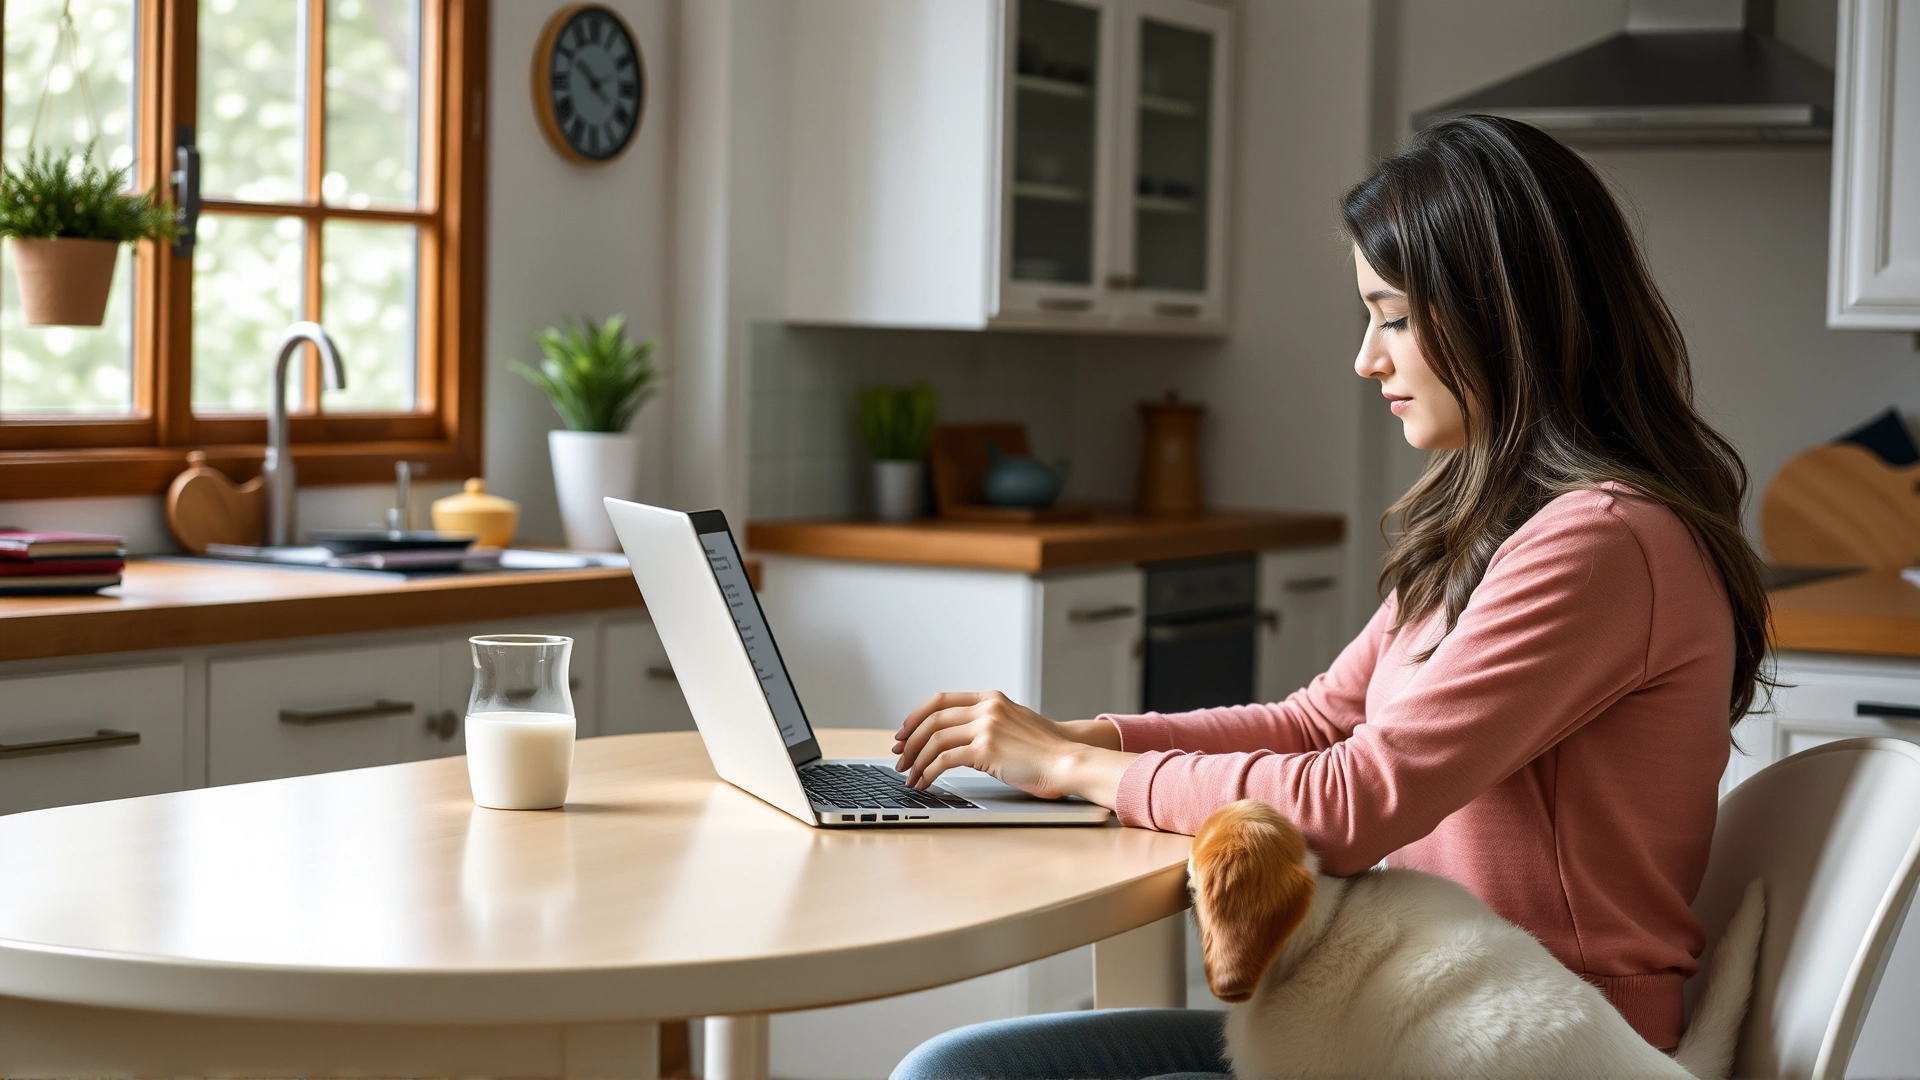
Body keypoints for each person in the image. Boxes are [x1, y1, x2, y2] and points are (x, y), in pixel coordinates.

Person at [888, 114, 1772, 1080]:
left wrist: (1069, 769)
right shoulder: (1503, 527)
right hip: (1413, 1018)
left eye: (1393, 317)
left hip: (1531, 1044)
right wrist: (1095, 739)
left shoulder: (1602, 541)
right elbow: (1318, 723)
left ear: (1502, 314)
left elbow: (1352, 802)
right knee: (960, 1064)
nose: (1368, 358)